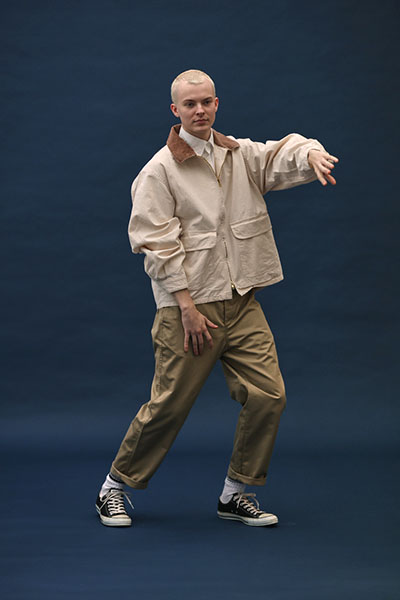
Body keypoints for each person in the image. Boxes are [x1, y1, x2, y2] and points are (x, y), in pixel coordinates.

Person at [95, 69, 338, 528]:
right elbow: (155, 244)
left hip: (242, 302)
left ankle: (235, 493)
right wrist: (186, 307)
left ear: (217, 104)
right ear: (175, 110)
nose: (200, 110)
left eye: (206, 101)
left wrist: (311, 153)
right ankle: (113, 488)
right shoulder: (159, 171)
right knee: (169, 406)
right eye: (190, 104)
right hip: (189, 309)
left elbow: (281, 153)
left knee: (269, 395)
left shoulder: (239, 155)